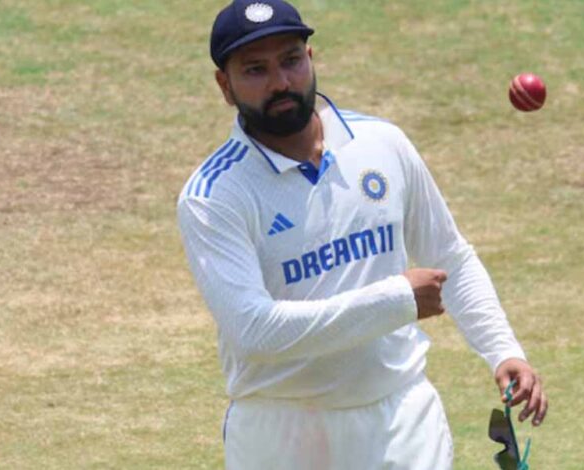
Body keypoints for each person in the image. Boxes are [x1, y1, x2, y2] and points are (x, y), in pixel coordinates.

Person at [177, 1, 548, 468]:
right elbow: (254, 331)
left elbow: (449, 255)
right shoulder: (214, 195)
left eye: (291, 60)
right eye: (256, 69)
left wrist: (502, 350)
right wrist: (396, 300)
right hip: (282, 431)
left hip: (402, 420)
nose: (281, 82)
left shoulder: (381, 143)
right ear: (224, 86)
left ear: (311, 57)